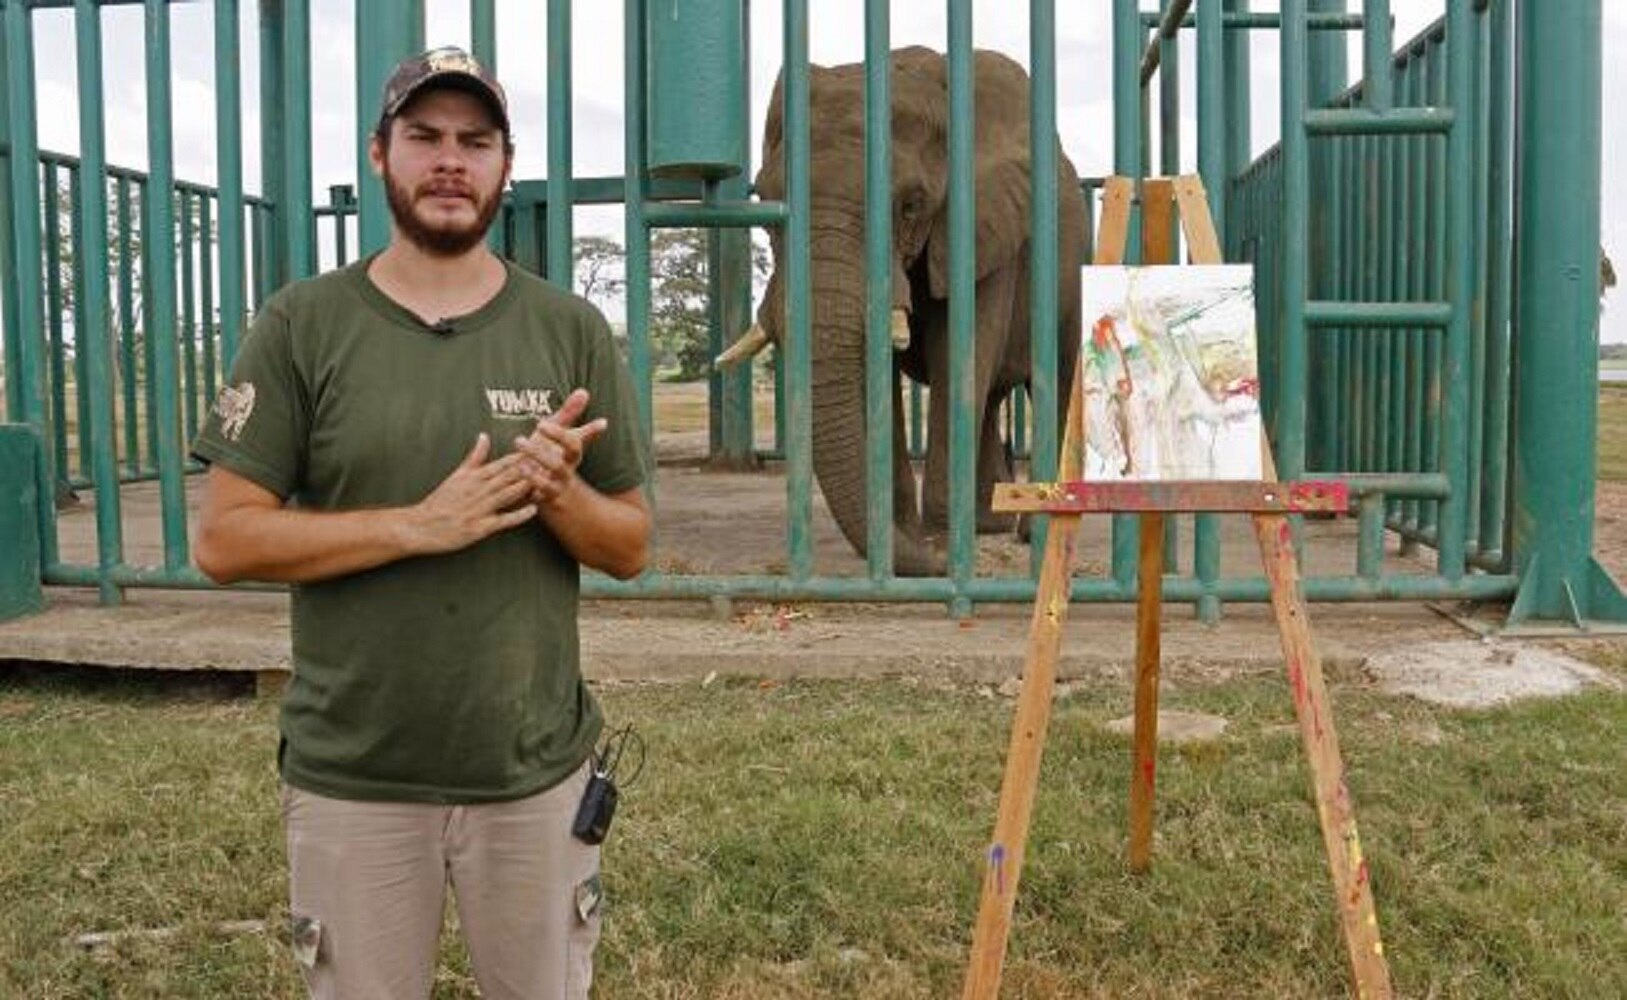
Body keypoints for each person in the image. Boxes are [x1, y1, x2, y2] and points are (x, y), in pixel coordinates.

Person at [191, 46, 650, 1000]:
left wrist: (558, 493)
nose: (450, 160)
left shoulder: (567, 329)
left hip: (532, 775)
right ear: (379, 153)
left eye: (475, 142)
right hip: (353, 777)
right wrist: (416, 525)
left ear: (505, 165)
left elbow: (632, 548)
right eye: (424, 136)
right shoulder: (301, 325)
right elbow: (224, 540)